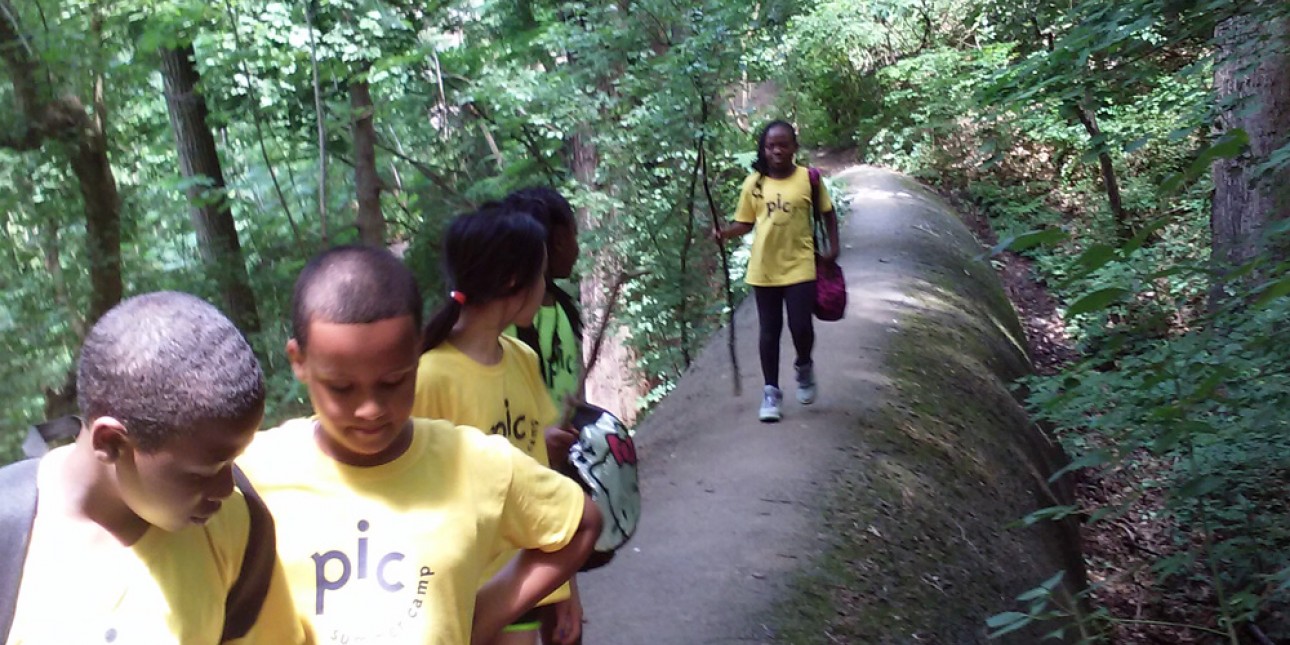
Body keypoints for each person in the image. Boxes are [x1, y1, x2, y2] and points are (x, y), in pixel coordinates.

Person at [235, 245, 601, 645]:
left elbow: (581, 523)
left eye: (393, 382)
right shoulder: (247, 477)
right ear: (298, 361)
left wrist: (479, 619)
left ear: (417, 355)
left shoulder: (475, 462)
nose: (370, 409)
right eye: (341, 388)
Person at [1, 291, 312, 644]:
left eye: (231, 462)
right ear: (110, 443)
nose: (227, 489)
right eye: (201, 473)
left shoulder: (235, 525)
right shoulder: (9, 533)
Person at [412, 208, 582, 645]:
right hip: (467, 593)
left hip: (523, 577)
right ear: (512, 281)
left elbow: (540, 483)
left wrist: (563, 588)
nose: (545, 287)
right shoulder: (431, 377)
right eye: (540, 274)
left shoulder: (521, 359)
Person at [714, 120, 840, 422]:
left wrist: (833, 249)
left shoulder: (808, 179)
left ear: (794, 147)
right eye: (771, 146)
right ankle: (771, 391)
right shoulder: (754, 183)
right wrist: (726, 233)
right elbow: (745, 224)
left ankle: (804, 366)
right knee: (769, 332)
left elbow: (827, 212)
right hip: (765, 269)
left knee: (801, 327)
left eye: (784, 144)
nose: (777, 151)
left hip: (801, 265)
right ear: (764, 149)